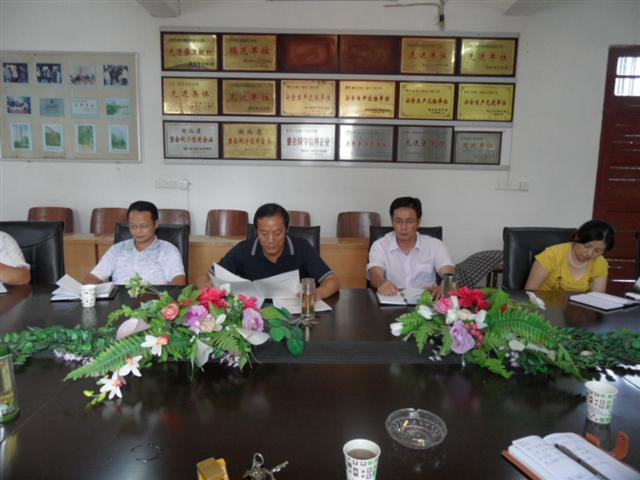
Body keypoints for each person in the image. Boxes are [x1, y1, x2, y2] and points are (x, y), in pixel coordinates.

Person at [202, 203, 339, 299]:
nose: (271, 240)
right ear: (256, 231)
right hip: (254, 317)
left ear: (287, 229)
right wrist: (207, 287)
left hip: (295, 316)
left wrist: (315, 295)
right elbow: (205, 277)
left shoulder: (302, 247)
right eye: (264, 233)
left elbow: (332, 281)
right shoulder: (243, 250)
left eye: (278, 233)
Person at [367, 197, 455, 299]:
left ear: (419, 222)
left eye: (409, 221)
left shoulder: (434, 245)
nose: (403, 227)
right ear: (392, 222)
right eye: (398, 221)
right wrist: (381, 283)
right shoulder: (380, 245)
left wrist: (445, 286)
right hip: (392, 300)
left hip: (426, 302)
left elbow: (449, 271)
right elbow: (375, 274)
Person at [84, 201, 186, 285]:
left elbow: (179, 281)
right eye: (133, 226)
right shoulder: (117, 249)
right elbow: (92, 277)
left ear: (156, 224)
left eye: (143, 226)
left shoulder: (168, 250)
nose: (138, 231)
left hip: (154, 301)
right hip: (119, 301)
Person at [525, 219, 614, 292]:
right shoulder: (551, 255)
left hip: (579, 308)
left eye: (597, 250)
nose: (590, 253)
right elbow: (530, 291)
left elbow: (597, 297)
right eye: (587, 246)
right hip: (544, 305)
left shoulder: (600, 262)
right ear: (577, 237)